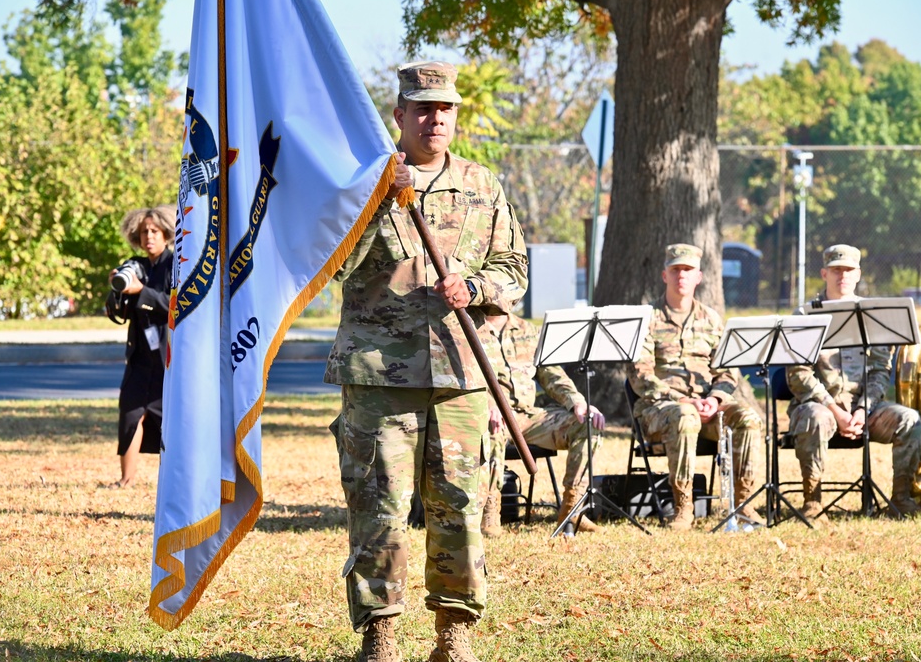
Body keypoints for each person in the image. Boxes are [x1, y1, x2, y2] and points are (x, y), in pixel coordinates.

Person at [324, 61, 528, 662]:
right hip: (380, 374)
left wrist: (476, 286)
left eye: (445, 109)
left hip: (462, 373)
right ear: (400, 116)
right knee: (378, 507)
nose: (435, 119)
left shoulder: (482, 185)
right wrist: (378, 198)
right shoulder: (365, 181)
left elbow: (513, 270)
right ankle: (380, 633)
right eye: (422, 108)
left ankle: (454, 633)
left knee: (461, 507)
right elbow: (333, 264)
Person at [785, 244, 921, 519]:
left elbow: (878, 371)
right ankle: (812, 503)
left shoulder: (872, 316)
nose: (843, 276)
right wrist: (836, 410)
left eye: (848, 270)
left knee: (908, 419)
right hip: (820, 408)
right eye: (836, 270)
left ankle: (900, 500)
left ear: (858, 274)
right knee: (814, 418)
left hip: (866, 410)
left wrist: (863, 409)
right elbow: (798, 374)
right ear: (824, 273)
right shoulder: (804, 315)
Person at [627, 243, 762, 531]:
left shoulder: (712, 320)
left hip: (707, 409)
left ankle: (743, 505)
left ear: (699, 276)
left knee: (748, 417)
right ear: (664, 275)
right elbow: (640, 376)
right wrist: (685, 401)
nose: (681, 276)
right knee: (685, 416)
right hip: (660, 410)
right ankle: (683, 507)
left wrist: (714, 399)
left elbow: (727, 370)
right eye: (675, 270)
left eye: (687, 270)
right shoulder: (647, 319)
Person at [481, 312, 606, 536]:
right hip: (490, 417)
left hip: (529, 417)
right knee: (489, 428)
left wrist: (577, 402)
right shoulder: (466, 328)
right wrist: (487, 404)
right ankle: (489, 512)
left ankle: (572, 508)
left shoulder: (529, 332)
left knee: (588, 424)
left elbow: (552, 374)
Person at [112, 205, 175, 488]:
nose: (148, 236)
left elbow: (176, 306)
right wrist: (116, 291)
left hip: (168, 357)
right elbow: (119, 313)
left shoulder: (178, 264)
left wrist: (142, 292)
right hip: (139, 356)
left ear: (166, 234)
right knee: (130, 414)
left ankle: (175, 480)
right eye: (143, 232)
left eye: (154, 231)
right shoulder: (133, 265)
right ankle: (126, 479)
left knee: (171, 423)